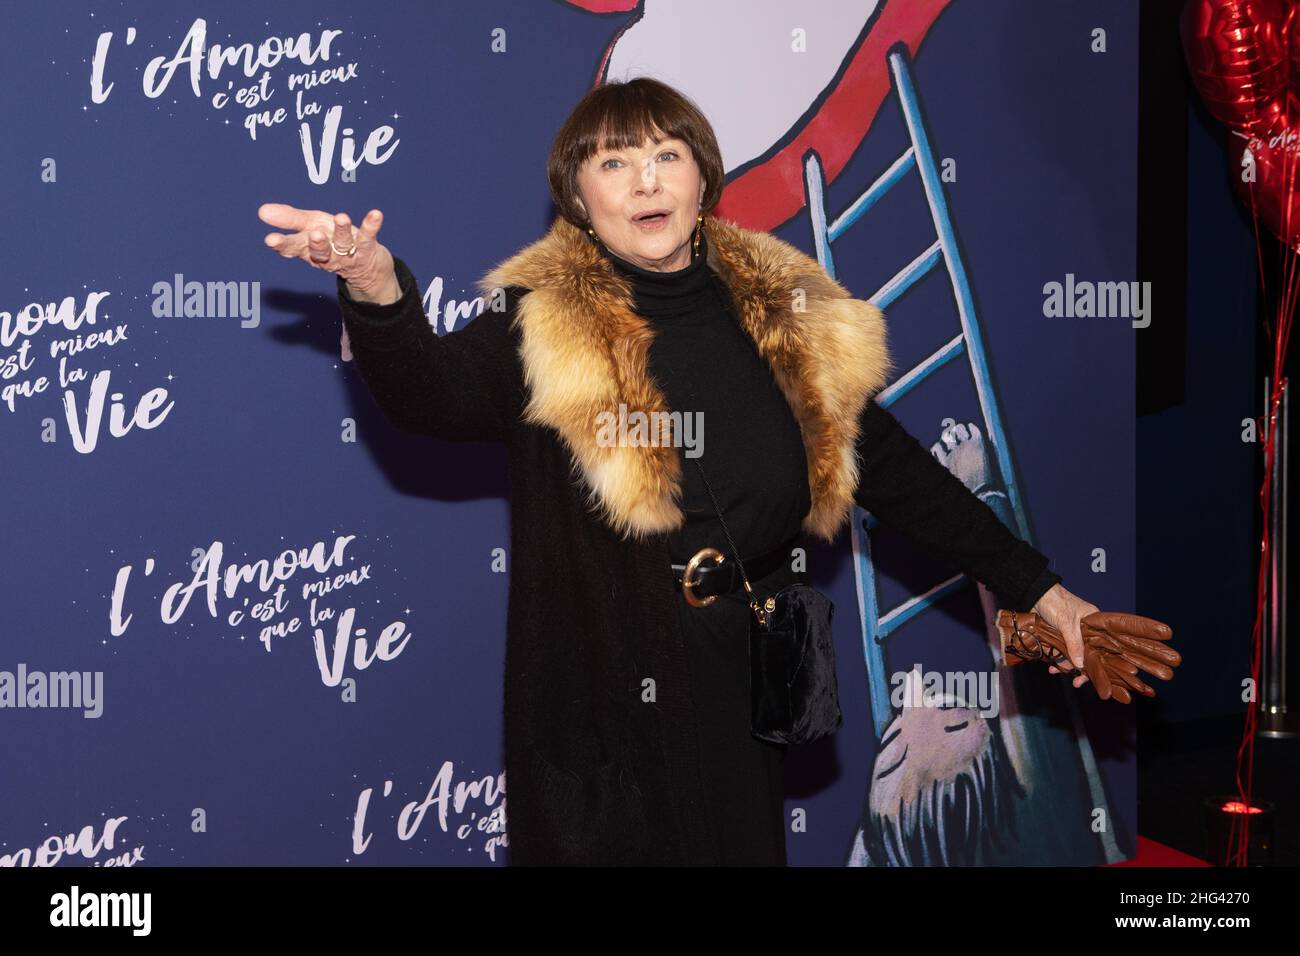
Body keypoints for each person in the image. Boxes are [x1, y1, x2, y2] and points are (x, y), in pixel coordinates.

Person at [258, 77, 1099, 866]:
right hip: (603, 694)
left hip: (744, 678)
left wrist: (1040, 589)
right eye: (613, 163)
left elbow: (902, 476)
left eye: (667, 156)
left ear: (703, 184)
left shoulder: (786, 320)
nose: (644, 180)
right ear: (581, 203)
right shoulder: (543, 328)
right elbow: (429, 399)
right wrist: (375, 286)